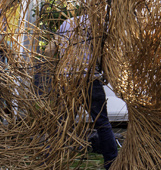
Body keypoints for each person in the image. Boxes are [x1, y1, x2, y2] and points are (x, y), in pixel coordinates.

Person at [46, 13, 118, 170]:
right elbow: (105, 55)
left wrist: (59, 67)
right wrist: (105, 74)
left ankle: (52, 162)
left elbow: (49, 50)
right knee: (102, 124)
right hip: (89, 79)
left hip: (67, 80)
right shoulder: (98, 25)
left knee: (63, 123)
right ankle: (112, 164)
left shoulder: (66, 23)